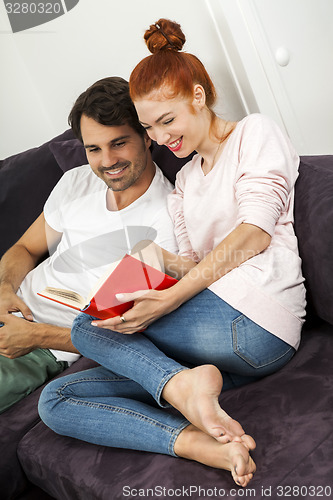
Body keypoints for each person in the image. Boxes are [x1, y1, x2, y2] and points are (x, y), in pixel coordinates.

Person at [39, 20, 306, 487]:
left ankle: (183, 385)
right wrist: (157, 260)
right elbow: (196, 259)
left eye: (168, 121)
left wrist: (173, 295)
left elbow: (254, 234)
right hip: (225, 349)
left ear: (198, 98)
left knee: (86, 325)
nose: (162, 139)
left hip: (260, 317)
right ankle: (203, 441)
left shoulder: (254, 134)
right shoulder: (185, 181)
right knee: (58, 400)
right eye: (149, 127)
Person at [0, 76, 178, 414]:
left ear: (146, 136)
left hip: (37, 347)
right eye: (93, 149)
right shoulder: (76, 181)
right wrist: (4, 288)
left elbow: (109, 334)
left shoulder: (162, 223)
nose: (107, 160)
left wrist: (33, 337)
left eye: (119, 143)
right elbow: (25, 248)